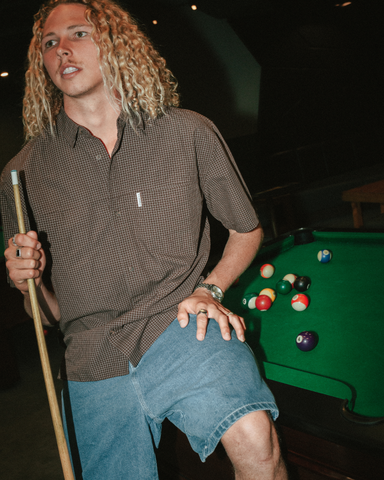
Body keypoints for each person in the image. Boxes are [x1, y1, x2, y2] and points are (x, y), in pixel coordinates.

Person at [0, 1, 288, 478]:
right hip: (92, 357)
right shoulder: (20, 175)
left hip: (180, 324)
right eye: (50, 42)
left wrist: (210, 288)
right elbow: (46, 314)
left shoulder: (186, 131)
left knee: (257, 442)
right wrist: (26, 283)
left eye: (78, 34)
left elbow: (246, 229)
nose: (62, 49)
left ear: (114, 42)